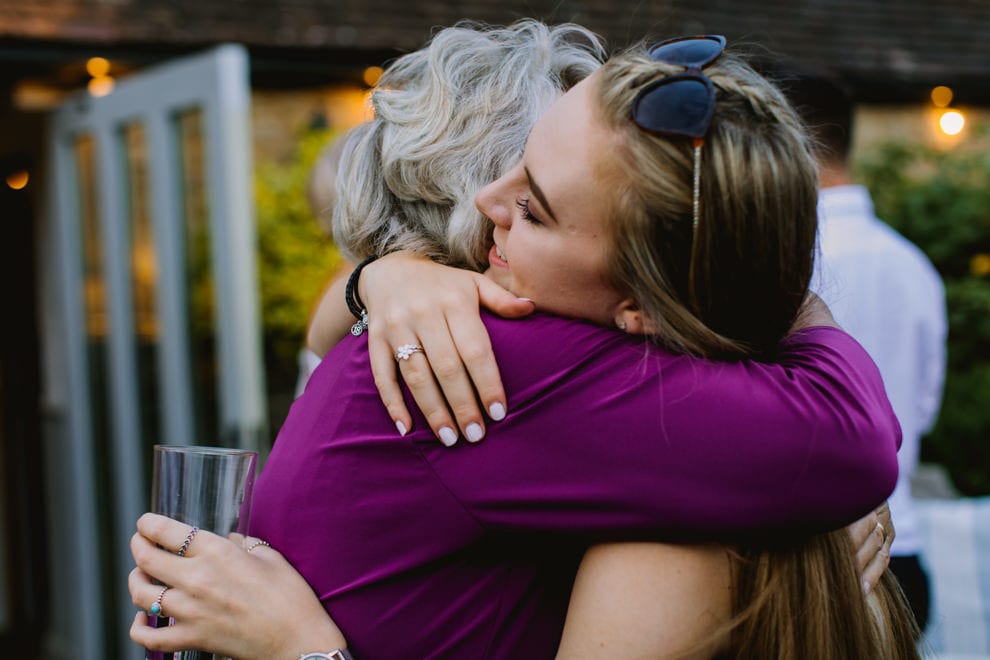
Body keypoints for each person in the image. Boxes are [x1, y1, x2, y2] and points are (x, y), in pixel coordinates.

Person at [129, 24, 903, 659]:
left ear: (639, 299)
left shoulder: (486, 356)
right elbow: (853, 438)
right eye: (515, 176)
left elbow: (846, 443)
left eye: (535, 208)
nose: (491, 204)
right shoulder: (491, 353)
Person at [774, 65, 947, 634]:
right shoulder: (915, 265)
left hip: (815, 565)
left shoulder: (778, 259)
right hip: (909, 557)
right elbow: (921, 411)